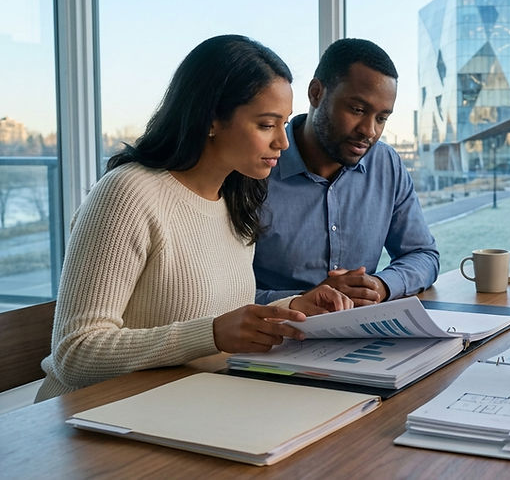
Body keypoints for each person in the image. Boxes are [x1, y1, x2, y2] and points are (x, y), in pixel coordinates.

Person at [36, 35, 353, 402]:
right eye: (267, 125)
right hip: (90, 421)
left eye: (284, 124)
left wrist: (294, 308)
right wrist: (212, 335)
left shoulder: (238, 197)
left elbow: (216, 315)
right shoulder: (128, 193)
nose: (283, 142)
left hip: (180, 405)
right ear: (212, 119)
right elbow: (74, 352)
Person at [253, 38, 439, 306]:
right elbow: (225, 294)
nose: (370, 130)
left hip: (361, 335)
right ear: (316, 93)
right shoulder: (257, 167)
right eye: (358, 109)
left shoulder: (386, 164)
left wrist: (380, 286)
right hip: (276, 338)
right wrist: (301, 301)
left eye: (381, 118)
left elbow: (423, 254)